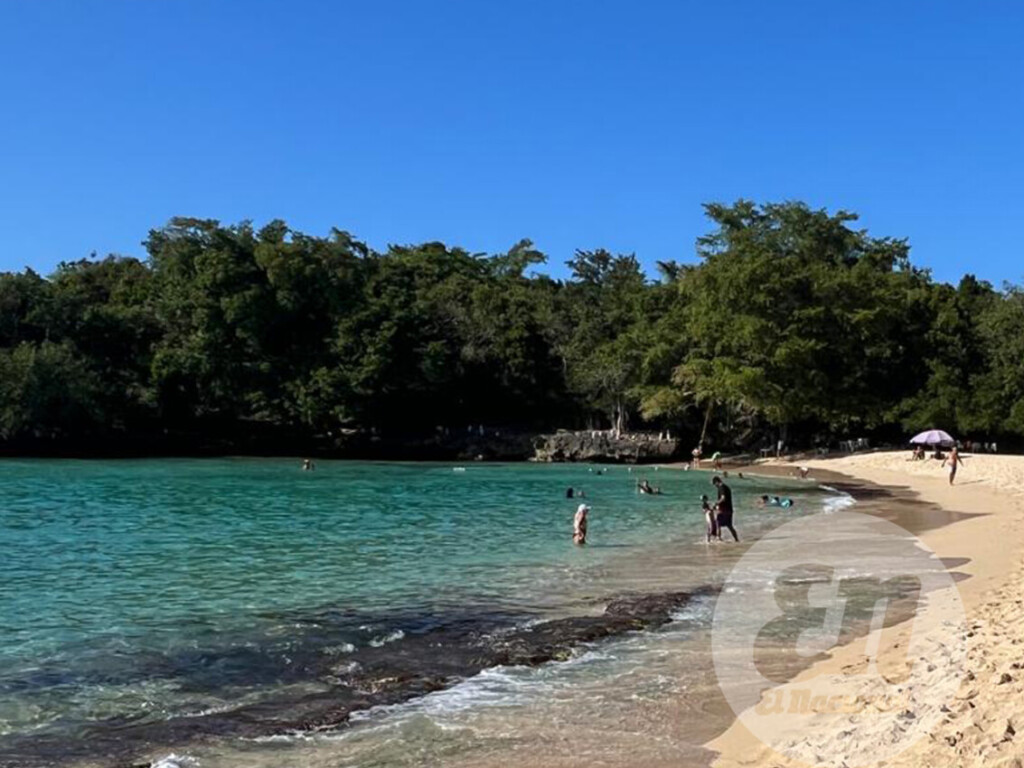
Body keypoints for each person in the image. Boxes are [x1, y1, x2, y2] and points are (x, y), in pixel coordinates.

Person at [712, 476, 739, 541]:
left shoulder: (721, 487)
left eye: (714, 484)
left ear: (716, 482)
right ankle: (736, 540)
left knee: (717, 523)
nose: (715, 486)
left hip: (724, 510)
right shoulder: (727, 487)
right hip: (729, 509)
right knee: (729, 526)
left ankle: (719, 539)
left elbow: (723, 498)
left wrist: (716, 503)